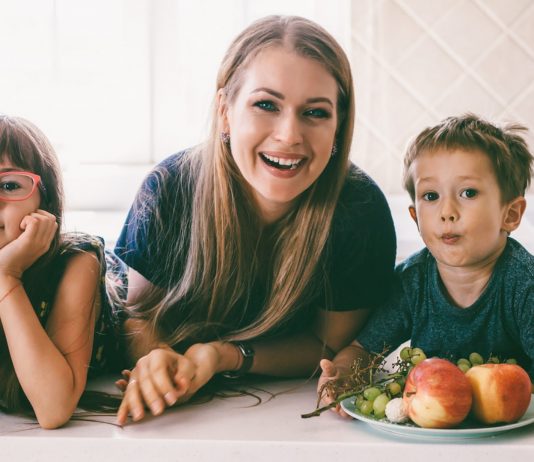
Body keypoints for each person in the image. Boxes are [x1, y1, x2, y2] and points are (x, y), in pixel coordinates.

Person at [114, 15, 396, 424]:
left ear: (338, 127)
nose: (289, 135)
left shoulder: (359, 210)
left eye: (315, 112)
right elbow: (135, 315)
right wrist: (156, 357)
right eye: (266, 105)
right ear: (225, 111)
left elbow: (330, 347)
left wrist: (223, 355)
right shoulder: (169, 188)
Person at [318, 113, 534, 415]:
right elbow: (362, 350)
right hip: (433, 420)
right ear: (415, 217)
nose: (447, 211)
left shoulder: (523, 284)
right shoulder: (413, 281)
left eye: (468, 193)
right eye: (431, 196)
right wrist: (342, 374)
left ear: (510, 214)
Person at [0, 115, 127, 428]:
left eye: (9, 185)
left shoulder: (76, 262)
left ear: (46, 202)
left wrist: (6, 276)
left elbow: (53, 408)